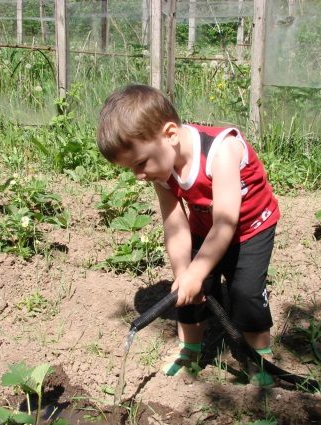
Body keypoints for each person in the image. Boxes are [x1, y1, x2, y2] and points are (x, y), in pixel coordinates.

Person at [97, 84, 280, 377]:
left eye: (141, 164)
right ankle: (189, 348)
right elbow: (175, 224)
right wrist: (185, 273)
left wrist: (196, 273)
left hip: (250, 226)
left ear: (170, 134)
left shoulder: (221, 150)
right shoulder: (162, 169)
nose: (139, 175)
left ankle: (259, 357)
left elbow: (226, 223)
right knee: (184, 288)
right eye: (132, 169)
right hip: (205, 224)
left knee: (245, 292)